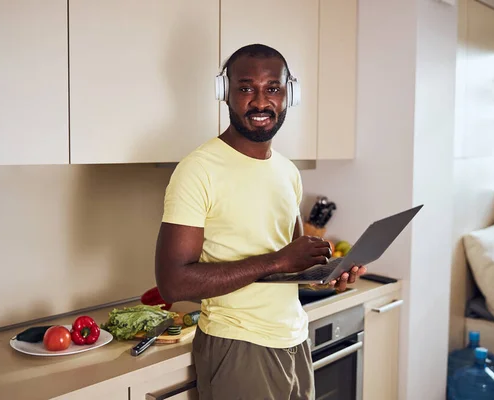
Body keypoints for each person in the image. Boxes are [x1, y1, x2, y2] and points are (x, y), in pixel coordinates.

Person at [155, 43, 366, 400]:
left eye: (272, 88)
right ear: (225, 93)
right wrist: (279, 260)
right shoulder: (198, 170)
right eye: (245, 88)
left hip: (295, 340)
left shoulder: (287, 172)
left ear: (289, 95)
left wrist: (327, 277)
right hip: (239, 347)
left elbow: (292, 267)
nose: (260, 101)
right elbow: (173, 284)